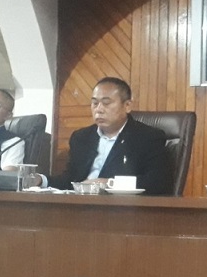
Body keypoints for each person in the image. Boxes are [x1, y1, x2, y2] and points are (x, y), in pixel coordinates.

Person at [44, 77, 172, 194]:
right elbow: (70, 180)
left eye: (106, 103)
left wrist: (109, 183)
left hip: (120, 207)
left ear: (127, 106)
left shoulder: (148, 138)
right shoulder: (81, 137)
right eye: (95, 103)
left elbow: (156, 182)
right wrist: (41, 180)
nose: (99, 109)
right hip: (79, 204)